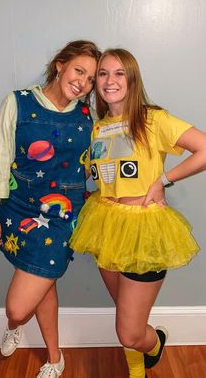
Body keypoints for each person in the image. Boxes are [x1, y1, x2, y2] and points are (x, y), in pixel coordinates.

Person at [70, 48, 206, 378]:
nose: (109, 80)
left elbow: (204, 149)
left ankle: (155, 344)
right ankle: (137, 370)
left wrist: (163, 180)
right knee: (125, 315)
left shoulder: (153, 119)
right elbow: (96, 174)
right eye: (102, 73)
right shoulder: (98, 128)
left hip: (144, 230)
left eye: (119, 73)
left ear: (132, 79)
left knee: (130, 331)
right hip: (105, 224)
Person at [0, 40, 101, 378]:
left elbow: (93, 161)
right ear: (61, 65)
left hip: (63, 215)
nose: (84, 82)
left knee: (18, 307)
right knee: (44, 282)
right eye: (80, 70)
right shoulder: (17, 102)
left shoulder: (85, 115)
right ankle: (54, 358)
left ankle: (14, 323)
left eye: (91, 79)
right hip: (18, 208)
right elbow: (0, 161)